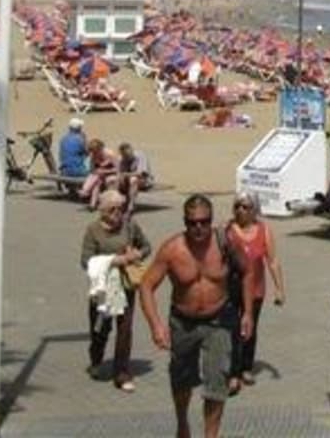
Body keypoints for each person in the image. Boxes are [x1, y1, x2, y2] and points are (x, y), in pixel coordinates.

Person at [138, 194, 254, 438]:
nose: (199, 227)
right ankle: (182, 425)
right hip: (183, 322)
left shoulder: (225, 243)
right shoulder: (172, 249)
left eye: (204, 222)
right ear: (185, 222)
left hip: (219, 320)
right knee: (181, 380)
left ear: (211, 220)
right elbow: (146, 285)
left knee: (217, 383)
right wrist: (155, 325)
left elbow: (247, 271)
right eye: (193, 223)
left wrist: (248, 313)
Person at [80, 191, 151, 393]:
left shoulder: (130, 226)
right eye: (112, 209)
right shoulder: (93, 230)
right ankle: (96, 358)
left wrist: (137, 254)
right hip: (103, 288)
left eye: (121, 208)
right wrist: (112, 261)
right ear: (102, 210)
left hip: (125, 285)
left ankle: (122, 373)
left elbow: (146, 246)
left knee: (125, 329)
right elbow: (85, 260)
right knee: (100, 328)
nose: (117, 213)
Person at [224, 193, 286, 392]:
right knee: (233, 329)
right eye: (237, 206)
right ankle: (233, 373)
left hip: (256, 289)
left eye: (246, 207)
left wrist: (279, 289)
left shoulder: (263, 230)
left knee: (250, 329)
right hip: (231, 289)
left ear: (254, 210)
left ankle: (246, 367)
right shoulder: (227, 230)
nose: (240, 210)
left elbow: (272, 261)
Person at [80, 137, 120, 210]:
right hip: (100, 175)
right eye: (92, 152)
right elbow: (92, 169)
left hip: (112, 173)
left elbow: (118, 169)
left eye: (95, 152)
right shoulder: (93, 155)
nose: (93, 153)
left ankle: (86, 191)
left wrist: (105, 171)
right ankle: (92, 205)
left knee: (108, 180)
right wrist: (97, 171)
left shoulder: (110, 154)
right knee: (97, 182)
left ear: (100, 149)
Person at [117, 141, 155, 212]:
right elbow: (120, 172)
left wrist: (126, 175)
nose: (126, 157)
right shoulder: (121, 159)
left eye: (127, 155)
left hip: (144, 180)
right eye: (124, 155)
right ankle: (116, 202)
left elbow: (141, 173)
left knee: (133, 180)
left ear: (131, 150)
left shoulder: (140, 156)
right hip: (127, 180)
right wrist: (121, 177)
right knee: (113, 180)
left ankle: (131, 204)